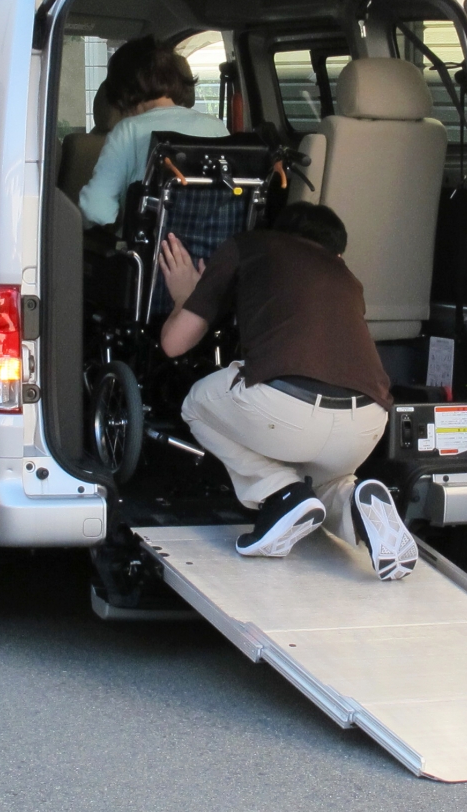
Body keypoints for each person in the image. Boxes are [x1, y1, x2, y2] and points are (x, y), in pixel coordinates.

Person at [157, 203, 417, 581]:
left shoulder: (247, 246)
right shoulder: (347, 276)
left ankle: (280, 494)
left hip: (284, 411)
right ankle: (358, 504)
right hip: (366, 423)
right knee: (327, 479)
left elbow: (173, 345)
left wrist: (185, 296)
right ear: (337, 252)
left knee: (196, 404)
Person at [78, 37, 229, 227]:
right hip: (214, 252)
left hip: (149, 253)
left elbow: (96, 210)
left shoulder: (128, 131)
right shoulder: (216, 127)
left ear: (123, 89)